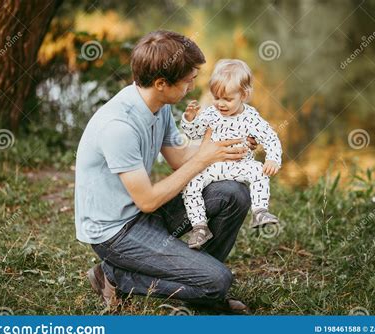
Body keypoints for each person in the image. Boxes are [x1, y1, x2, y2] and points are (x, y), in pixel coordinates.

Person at [75, 30, 254, 313]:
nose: (192, 87)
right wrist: (203, 159)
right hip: (116, 233)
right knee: (219, 281)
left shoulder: (157, 106)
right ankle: (113, 275)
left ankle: (196, 284)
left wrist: (221, 142)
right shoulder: (118, 127)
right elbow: (147, 200)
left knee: (234, 193)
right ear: (161, 83)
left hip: (142, 214)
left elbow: (179, 157)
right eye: (188, 81)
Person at [181, 59, 283, 249]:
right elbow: (194, 133)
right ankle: (199, 227)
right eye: (216, 97)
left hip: (239, 165)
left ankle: (260, 210)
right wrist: (189, 120)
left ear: (243, 95)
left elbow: (270, 137)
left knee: (259, 171)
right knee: (191, 184)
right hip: (212, 166)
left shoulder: (251, 117)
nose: (221, 104)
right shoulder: (211, 113)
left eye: (227, 99)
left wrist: (272, 158)